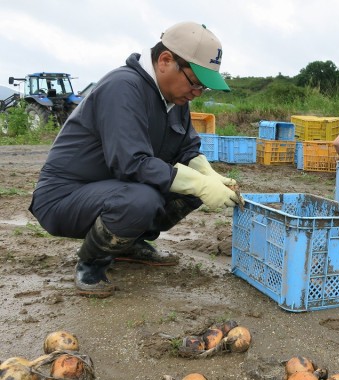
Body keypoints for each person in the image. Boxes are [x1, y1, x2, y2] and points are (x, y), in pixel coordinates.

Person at [29, 22, 241, 298]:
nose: (198, 92)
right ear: (165, 60)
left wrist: (209, 176)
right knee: (142, 199)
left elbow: (188, 150)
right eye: (195, 82)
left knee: (190, 188)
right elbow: (132, 164)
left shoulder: (175, 101)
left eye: (204, 87)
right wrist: (199, 184)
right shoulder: (123, 88)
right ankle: (92, 262)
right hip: (65, 197)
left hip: (115, 187)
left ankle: (127, 244)